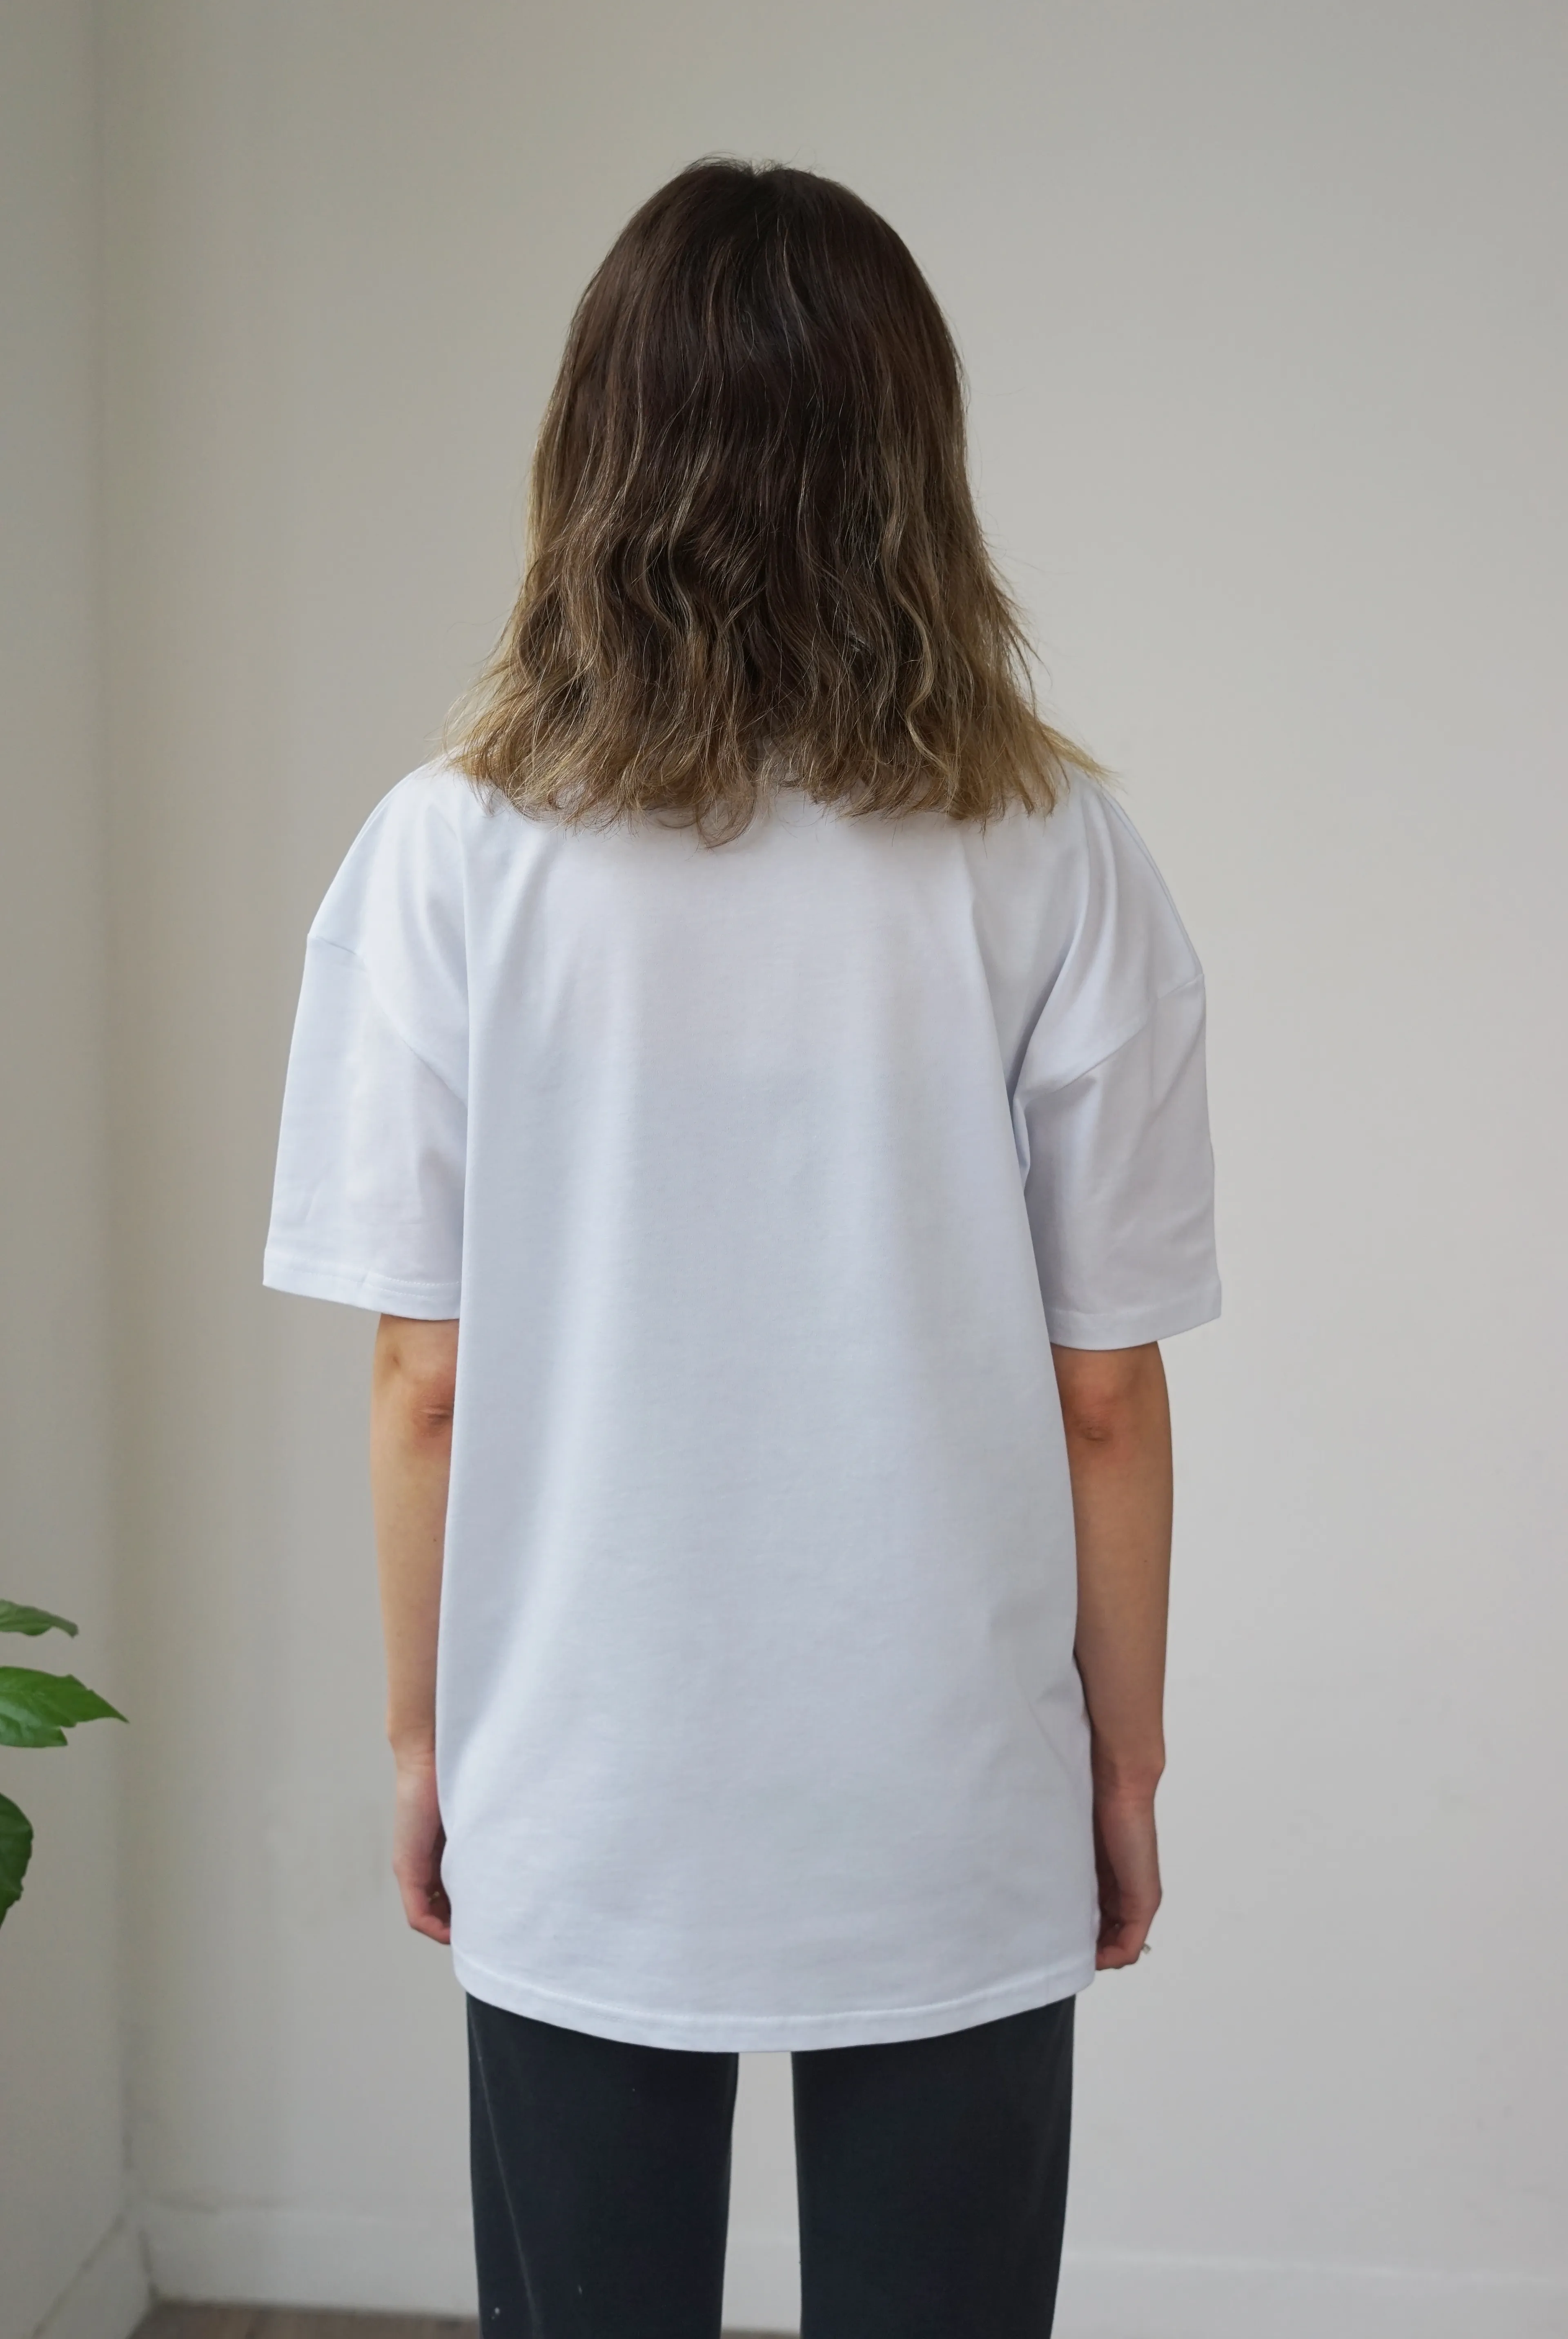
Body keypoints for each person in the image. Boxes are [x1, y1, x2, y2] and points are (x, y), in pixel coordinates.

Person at [263, 158, 1219, 2339]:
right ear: (916, 458)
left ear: (595, 451)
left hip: (580, 1784)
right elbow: (1105, 1394)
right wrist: (1124, 1767)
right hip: (950, 1788)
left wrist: (423, 1749)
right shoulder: (1056, 852)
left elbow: (426, 1379)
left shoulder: (446, 853)